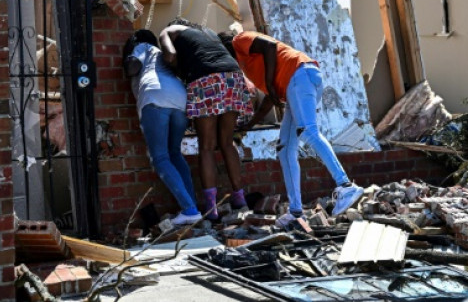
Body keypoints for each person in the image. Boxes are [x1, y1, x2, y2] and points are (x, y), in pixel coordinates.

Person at [218, 30, 364, 225]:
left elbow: (269, 47)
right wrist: (251, 123)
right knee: (285, 149)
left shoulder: (239, 40)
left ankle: (346, 186)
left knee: (308, 131)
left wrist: (270, 83)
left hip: (299, 75)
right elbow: (270, 97)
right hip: (296, 82)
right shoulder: (249, 64)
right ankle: (296, 212)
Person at [159, 19, 252, 220]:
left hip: (204, 79)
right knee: (227, 142)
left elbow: (170, 56)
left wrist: (180, 73)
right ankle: (239, 199)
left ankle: (211, 208)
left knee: (207, 146)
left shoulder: (169, 30)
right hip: (233, 77)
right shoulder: (207, 30)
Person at [122, 29, 201, 225]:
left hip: (156, 98)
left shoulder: (144, 47)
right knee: (175, 153)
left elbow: (132, 67)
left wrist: (126, 59)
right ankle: (193, 207)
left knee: (159, 157)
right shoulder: (161, 55)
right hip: (180, 100)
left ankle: (189, 209)